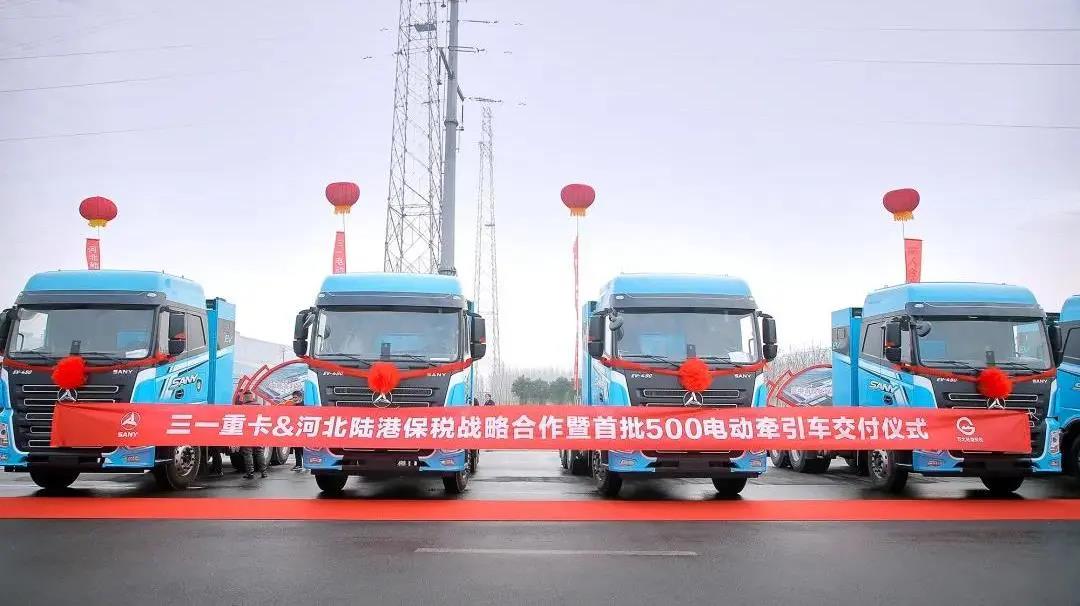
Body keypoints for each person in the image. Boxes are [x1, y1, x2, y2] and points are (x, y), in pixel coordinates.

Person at [236, 391, 268, 480]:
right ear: (252, 397)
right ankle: (264, 472)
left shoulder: (242, 408)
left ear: (245, 398)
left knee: (247, 453)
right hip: (257, 432)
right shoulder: (259, 406)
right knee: (260, 452)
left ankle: (250, 473)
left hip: (247, 433)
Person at [286, 389, 305, 472]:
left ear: (300, 397)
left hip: (301, 430)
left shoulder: (303, 406)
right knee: (298, 448)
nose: (294, 399)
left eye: (295, 397)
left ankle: (300, 464)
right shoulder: (294, 406)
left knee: (299, 448)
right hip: (296, 429)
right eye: (293, 397)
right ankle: (300, 464)